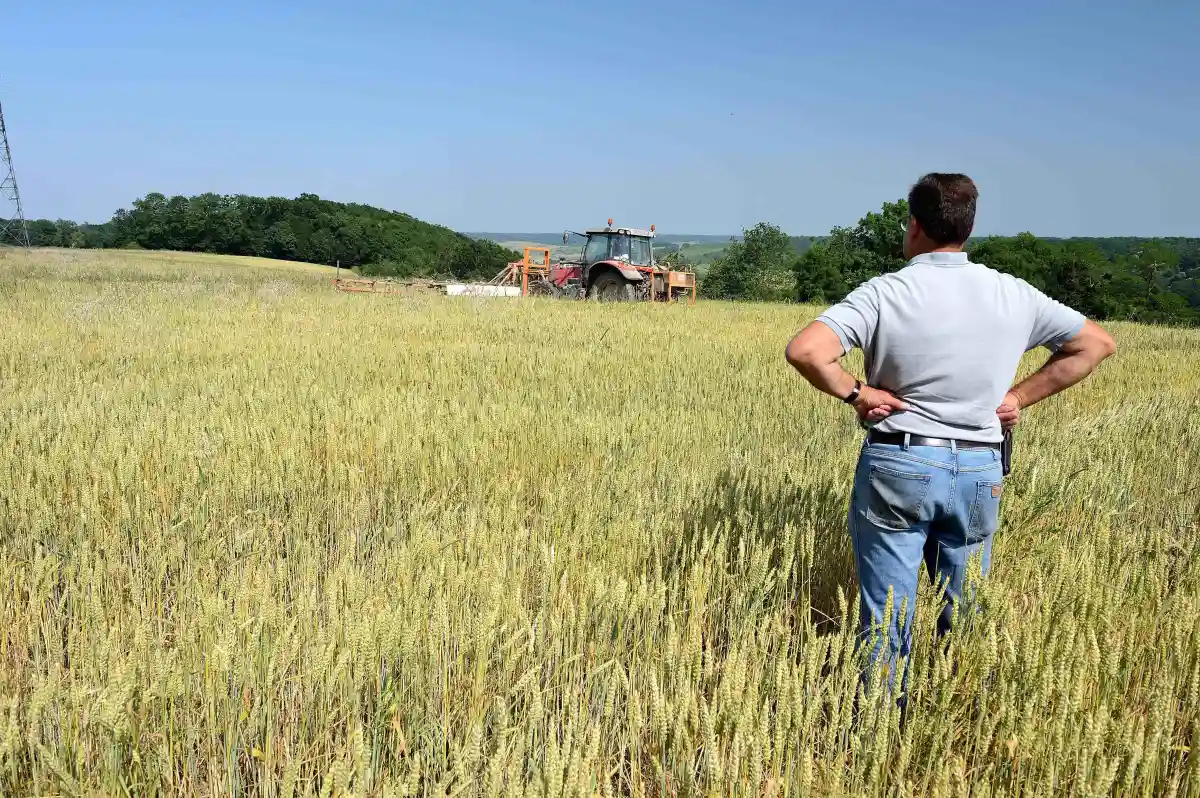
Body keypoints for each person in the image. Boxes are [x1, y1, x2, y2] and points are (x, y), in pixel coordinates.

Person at [784, 173, 1116, 702]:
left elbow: (806, 350)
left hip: (901, 461)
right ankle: (958, 715)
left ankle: (880, 727)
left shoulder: (885, 292)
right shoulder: (1013, 293)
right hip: (981, 469)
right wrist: (1018, 397)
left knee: (888, 615)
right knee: (966, 611)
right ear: (969, 227)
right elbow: (1096, 344)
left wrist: (858, 393)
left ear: (914, 225)